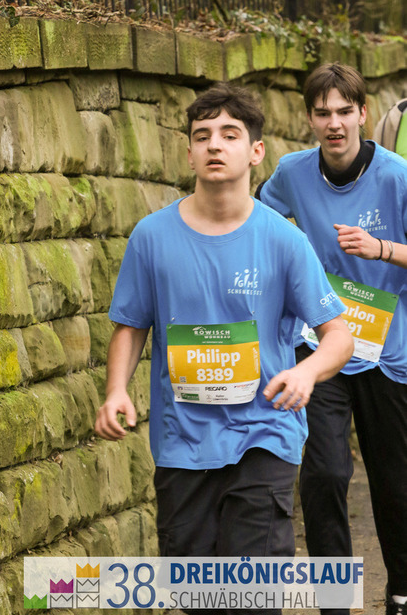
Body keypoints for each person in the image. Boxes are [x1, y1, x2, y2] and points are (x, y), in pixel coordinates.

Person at [95, 83, 354, 615]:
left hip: (264, 434)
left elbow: (339, 335)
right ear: (188, 152)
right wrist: (116, 389)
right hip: (183, 443)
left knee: (252, 597)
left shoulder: (283, 240)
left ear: (256, 151)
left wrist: (305, 374)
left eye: (230, 134)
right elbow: (131, 324)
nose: (215, 144)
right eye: (202, 135)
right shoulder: (151, 237)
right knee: (199, 598)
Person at [256, 62, 407, 615]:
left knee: (395, 482)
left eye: (345, 111)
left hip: (389, 352)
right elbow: (256, 223)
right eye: (323, 113)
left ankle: (401, 590)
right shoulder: (292, 173)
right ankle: (334, 601)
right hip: (321, 343)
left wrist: (381, 248)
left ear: (364, 114)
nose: (335, 123)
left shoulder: (397, 176)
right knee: (324, 473)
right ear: (309, 119)